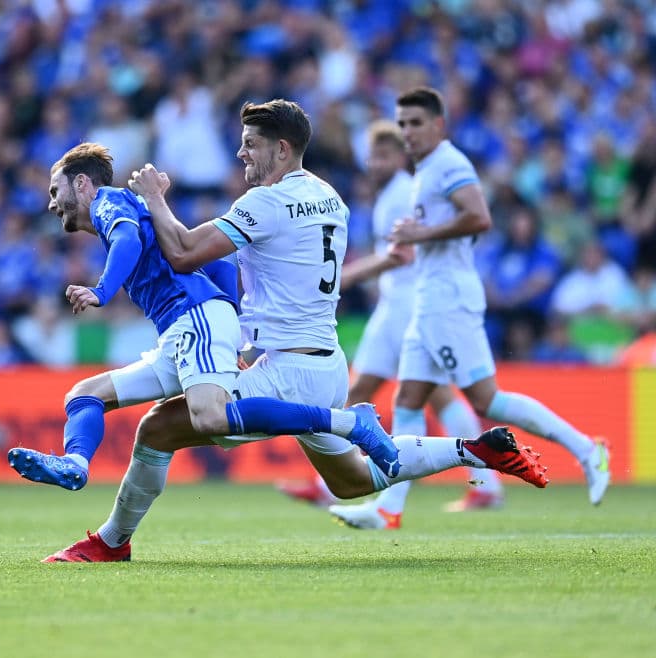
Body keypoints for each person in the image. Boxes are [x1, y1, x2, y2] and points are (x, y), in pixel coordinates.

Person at [41, 100, 547, 562]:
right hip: (324, 360)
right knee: (354, 481)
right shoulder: (331, 198)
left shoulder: (265, 204)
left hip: (288, 366)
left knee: (158, 429)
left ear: (281, 150)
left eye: (251, 144)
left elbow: (183, 252)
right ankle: (474, 449)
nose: (242, 153)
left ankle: (111, 542)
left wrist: (155, 199)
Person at [8, 142, 401, 491]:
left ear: (81, 184)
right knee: (83, 396)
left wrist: (101, 291)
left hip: (192, 319)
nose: (50, 203)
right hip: (187, 328)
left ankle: (351, 424)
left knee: (211, 417)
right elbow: (217, 266)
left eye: (54, 190)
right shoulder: (133, 211)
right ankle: (75, 464)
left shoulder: (108, 202)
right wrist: (228, 324)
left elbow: (127, 241)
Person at [328, 87, 609, 532]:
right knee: (408, 399)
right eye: (402, 124)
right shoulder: (423, 173)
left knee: (486, 398)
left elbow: (480, 217)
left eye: (416, 123)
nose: (408, 132)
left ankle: (586, 449)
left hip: (449, 301)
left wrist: (421, 235)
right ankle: (388, 509)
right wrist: (429, 236)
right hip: (428, 299)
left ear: (438, 124)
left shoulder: (449, 164)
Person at [276, 120, 503, 516]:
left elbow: (403, 255)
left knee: (435, 393)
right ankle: (327, 483)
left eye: (383, 155)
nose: (374, 163)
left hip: (408, 305)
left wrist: (343, 277)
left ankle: (486, 481)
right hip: (392, 306)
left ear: (400, 157)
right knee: (356, 391)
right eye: (372, 155)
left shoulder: (401, 195)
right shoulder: (387, 197)